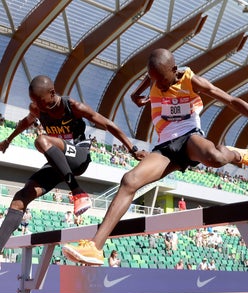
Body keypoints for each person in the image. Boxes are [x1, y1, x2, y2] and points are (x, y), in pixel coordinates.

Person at [62, 48, 248, 265]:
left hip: (189, 136)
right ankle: (95, 247)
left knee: (215, 158)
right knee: (129, 180)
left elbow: (232, 101)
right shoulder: (155, 77)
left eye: (163, 81)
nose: (160, 87)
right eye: (154, 81)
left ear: (175, 71)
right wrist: (137, 93)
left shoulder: (190, 80)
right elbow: (151, 76)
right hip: (165, 145)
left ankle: (238, 154)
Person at [0, 75, 145, 254]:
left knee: (42, 141)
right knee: (20, 198)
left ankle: (78, 192)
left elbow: (107, 124)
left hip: (79, 155)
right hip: (58, 161)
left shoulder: (73, 107)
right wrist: (8, 139)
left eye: (41, 100)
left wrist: (132, 149)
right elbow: (25, 123)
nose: (38, 105)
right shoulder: (37, 108)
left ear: (52, 93)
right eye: (34, 101)